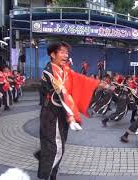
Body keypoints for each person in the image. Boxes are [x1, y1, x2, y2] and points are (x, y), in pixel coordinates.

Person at [36, 42, 109, 180]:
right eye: (62, 52)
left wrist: (98, 84)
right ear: (52, 54)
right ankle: (45, 176)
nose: (65, 55)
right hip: (52, 114)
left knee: (58, 146)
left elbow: (80, 79)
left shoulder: (66, 70)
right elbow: (62, 93)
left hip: (61, 112)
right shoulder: (49, 73)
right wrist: (71, 115)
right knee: (57, 148)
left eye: (66, 52)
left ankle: (48, 165)